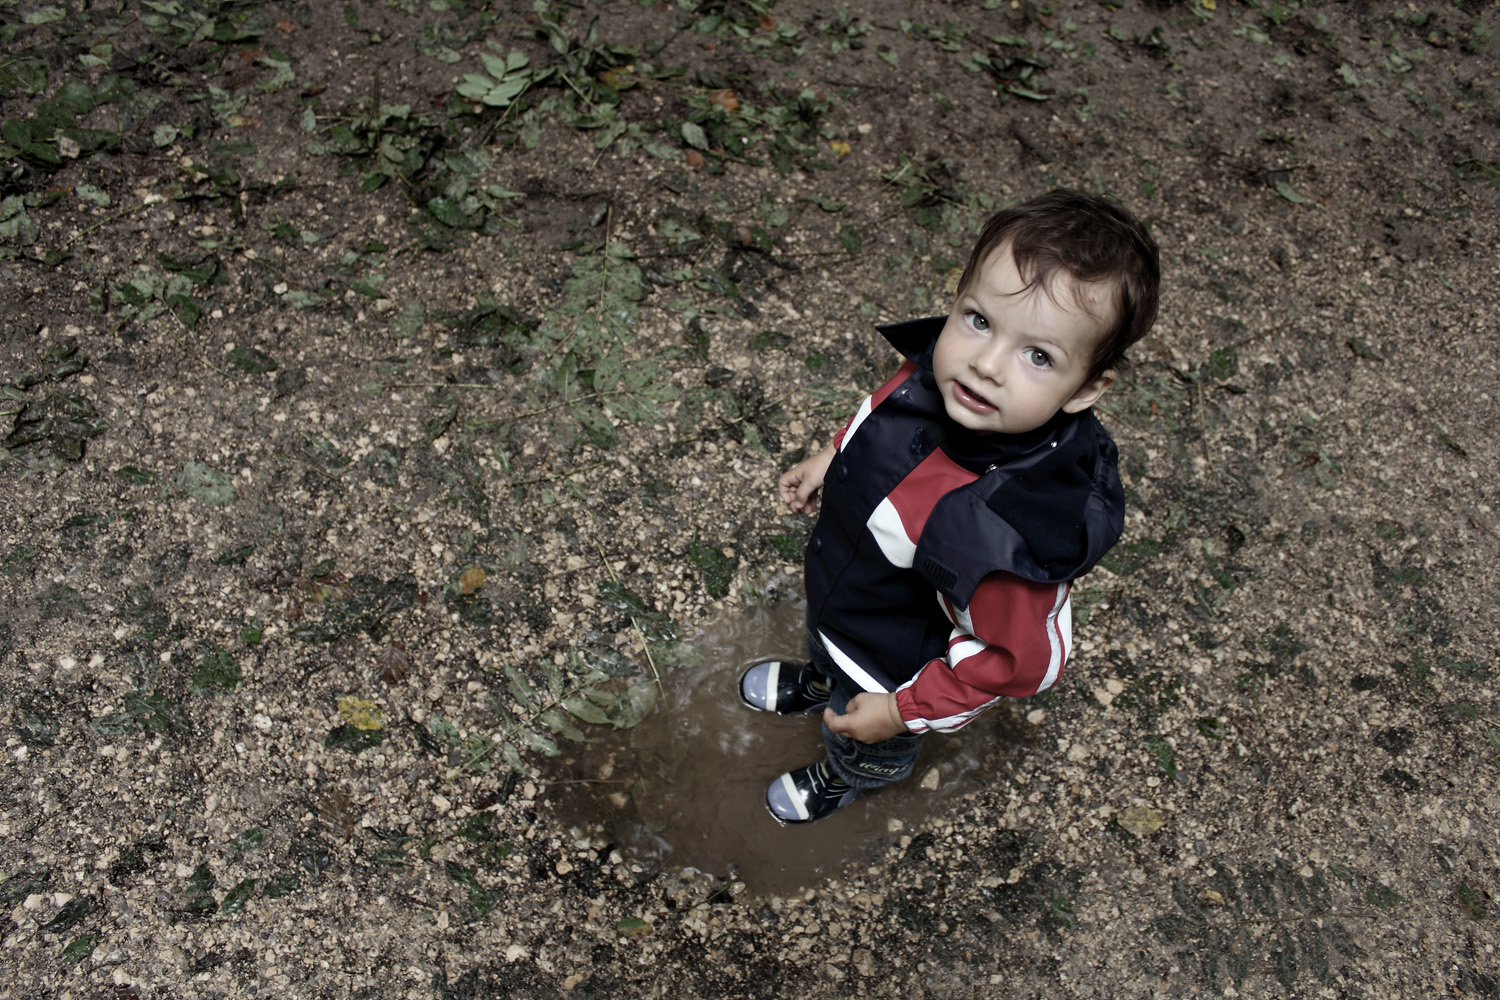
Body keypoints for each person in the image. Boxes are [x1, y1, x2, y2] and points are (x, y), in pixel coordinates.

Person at [740, 189, 1160, 823]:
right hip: (847, 600)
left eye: (1038, 355)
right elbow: (881, 417)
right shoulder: (941, 372)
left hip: (895, 667)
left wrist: (901, 710)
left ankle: (847, 772)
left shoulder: (1011, 530)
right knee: (828, 647)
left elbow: (1016, 664)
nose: (985, 364)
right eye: (980, 320)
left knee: (864, 732)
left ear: (1090, 387)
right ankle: (823, 678)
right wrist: (834, 459)